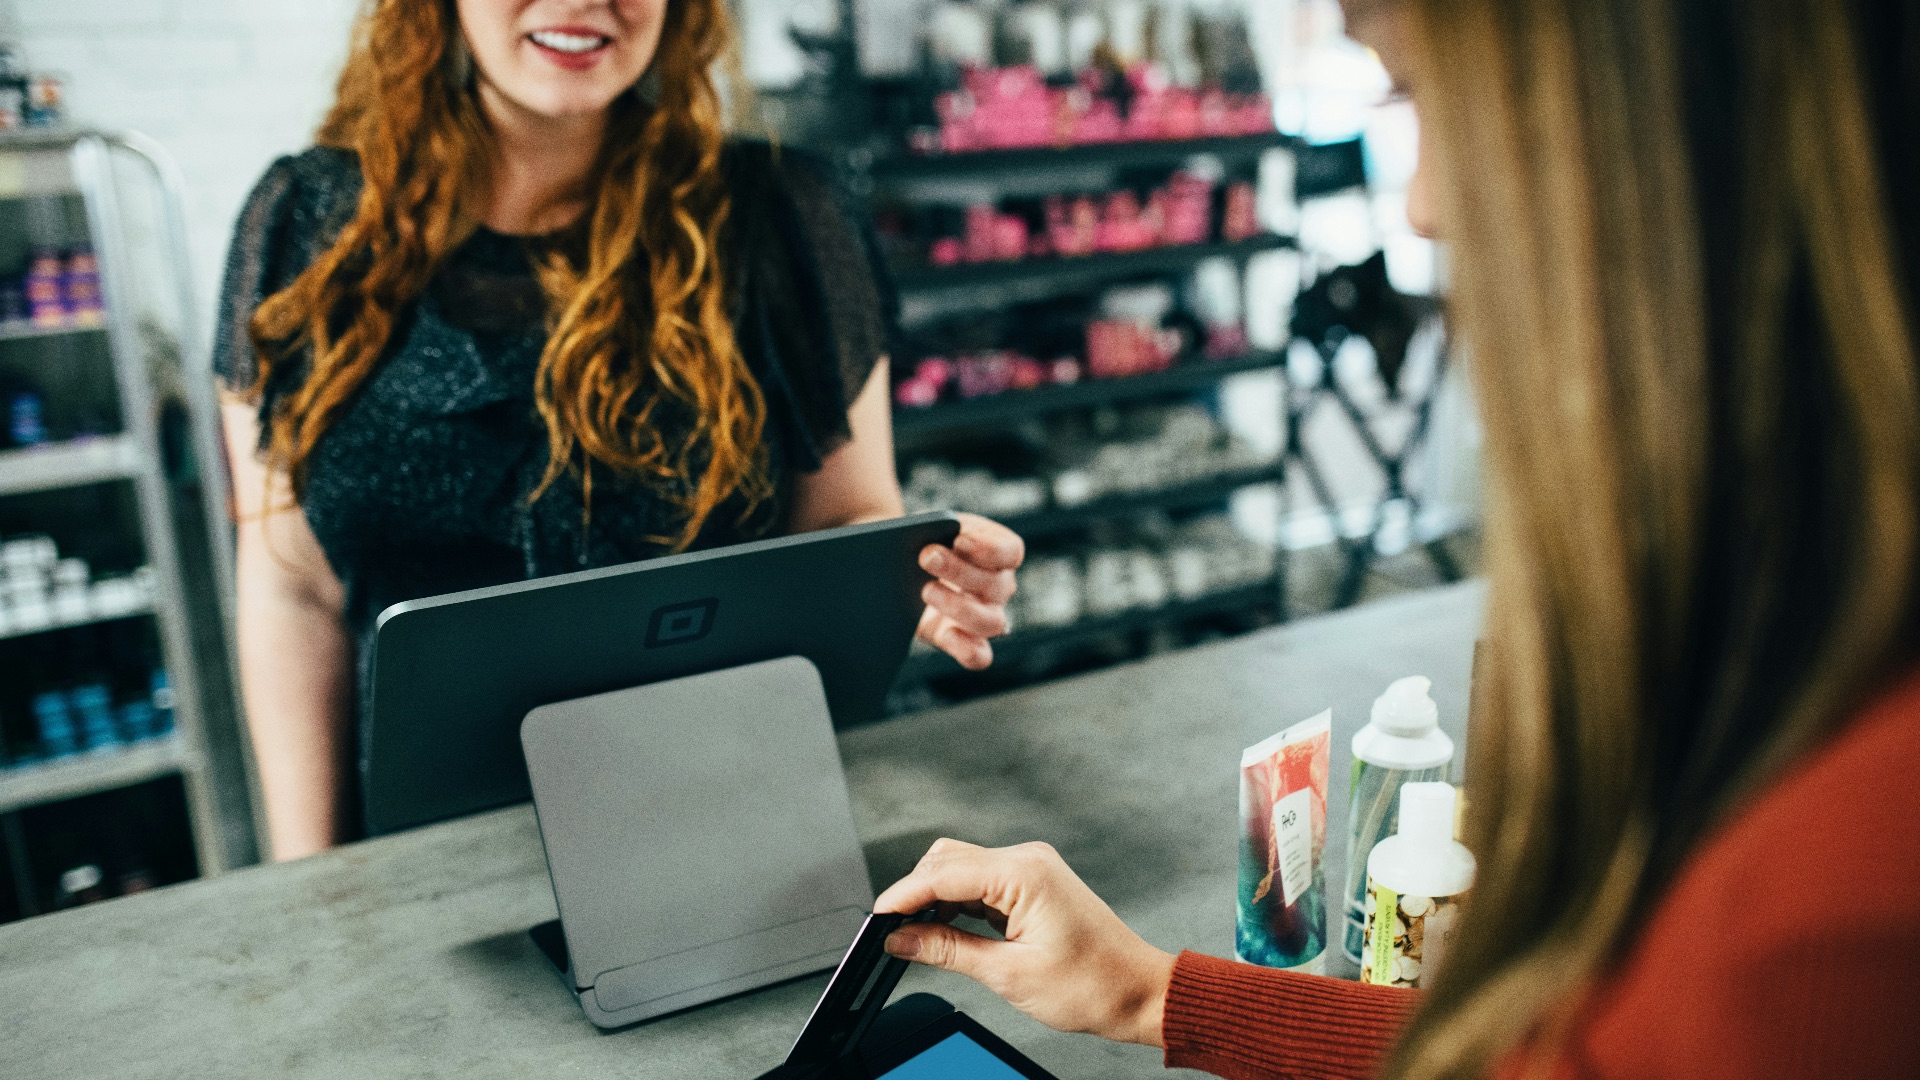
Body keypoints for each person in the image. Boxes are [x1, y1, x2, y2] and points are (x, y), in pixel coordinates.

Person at [874, 0, 1920, 1077]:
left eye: (1426, 94)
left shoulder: (1832, 903)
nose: (1421, 207)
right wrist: (1149, 992)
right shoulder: (1792, 714)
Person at [214, 0, 1023, 861]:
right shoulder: (304, 224)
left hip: (730, 822)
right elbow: (291, 587)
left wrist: (910, 574)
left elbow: (845, 516)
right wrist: (311, 883)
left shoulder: (783, 215)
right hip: (426, 852)